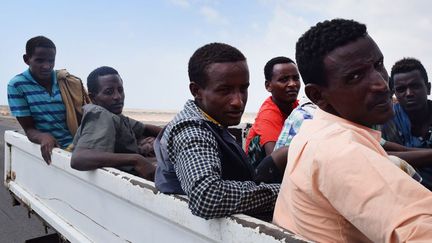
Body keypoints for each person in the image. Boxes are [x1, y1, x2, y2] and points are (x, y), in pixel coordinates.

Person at [273, 19, 432, 242]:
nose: (382, 85)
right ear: (318, 96)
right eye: (355, 77)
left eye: (378, 65)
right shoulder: (341, 150)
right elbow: (420, 231)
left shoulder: (316, 130)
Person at [154, 43, 279, 220]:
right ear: (196, 91)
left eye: (243, 89)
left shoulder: (213, 121)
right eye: (224, 90)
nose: (238, 101)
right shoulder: (192, 129)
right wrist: (280, 193)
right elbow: (207, 197)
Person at [7, 36, 89, 164]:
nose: (46, 66)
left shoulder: (66, 81)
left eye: (51, 60)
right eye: (39, 60)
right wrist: (42, 136)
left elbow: (82, 118)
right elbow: (28, 128)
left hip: (80, 147)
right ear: (27, 59)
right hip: (54, 152)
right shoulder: (17, 85)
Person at [70, 66, 161, 181]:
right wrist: (135, 159)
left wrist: (172, 135)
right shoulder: (100, 115)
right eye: (109, 92)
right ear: (93, 98)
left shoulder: (114, 115)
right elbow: (78, 159)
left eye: (120, 90)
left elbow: (144, 128)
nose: (117, 97)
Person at [381, 58, 432, 189]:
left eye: (415, 86)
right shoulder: (386, 120)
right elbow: (380, 156)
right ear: (394, 93)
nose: (409, 93)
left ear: (428, 88)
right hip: (405, 193)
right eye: (401, 89)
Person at [244, 57, 300, 167]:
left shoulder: (299, 108)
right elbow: (275, 162)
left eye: (296, 78)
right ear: (268, 86)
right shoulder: (268, 115)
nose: (292, 84)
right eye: (284, 80)